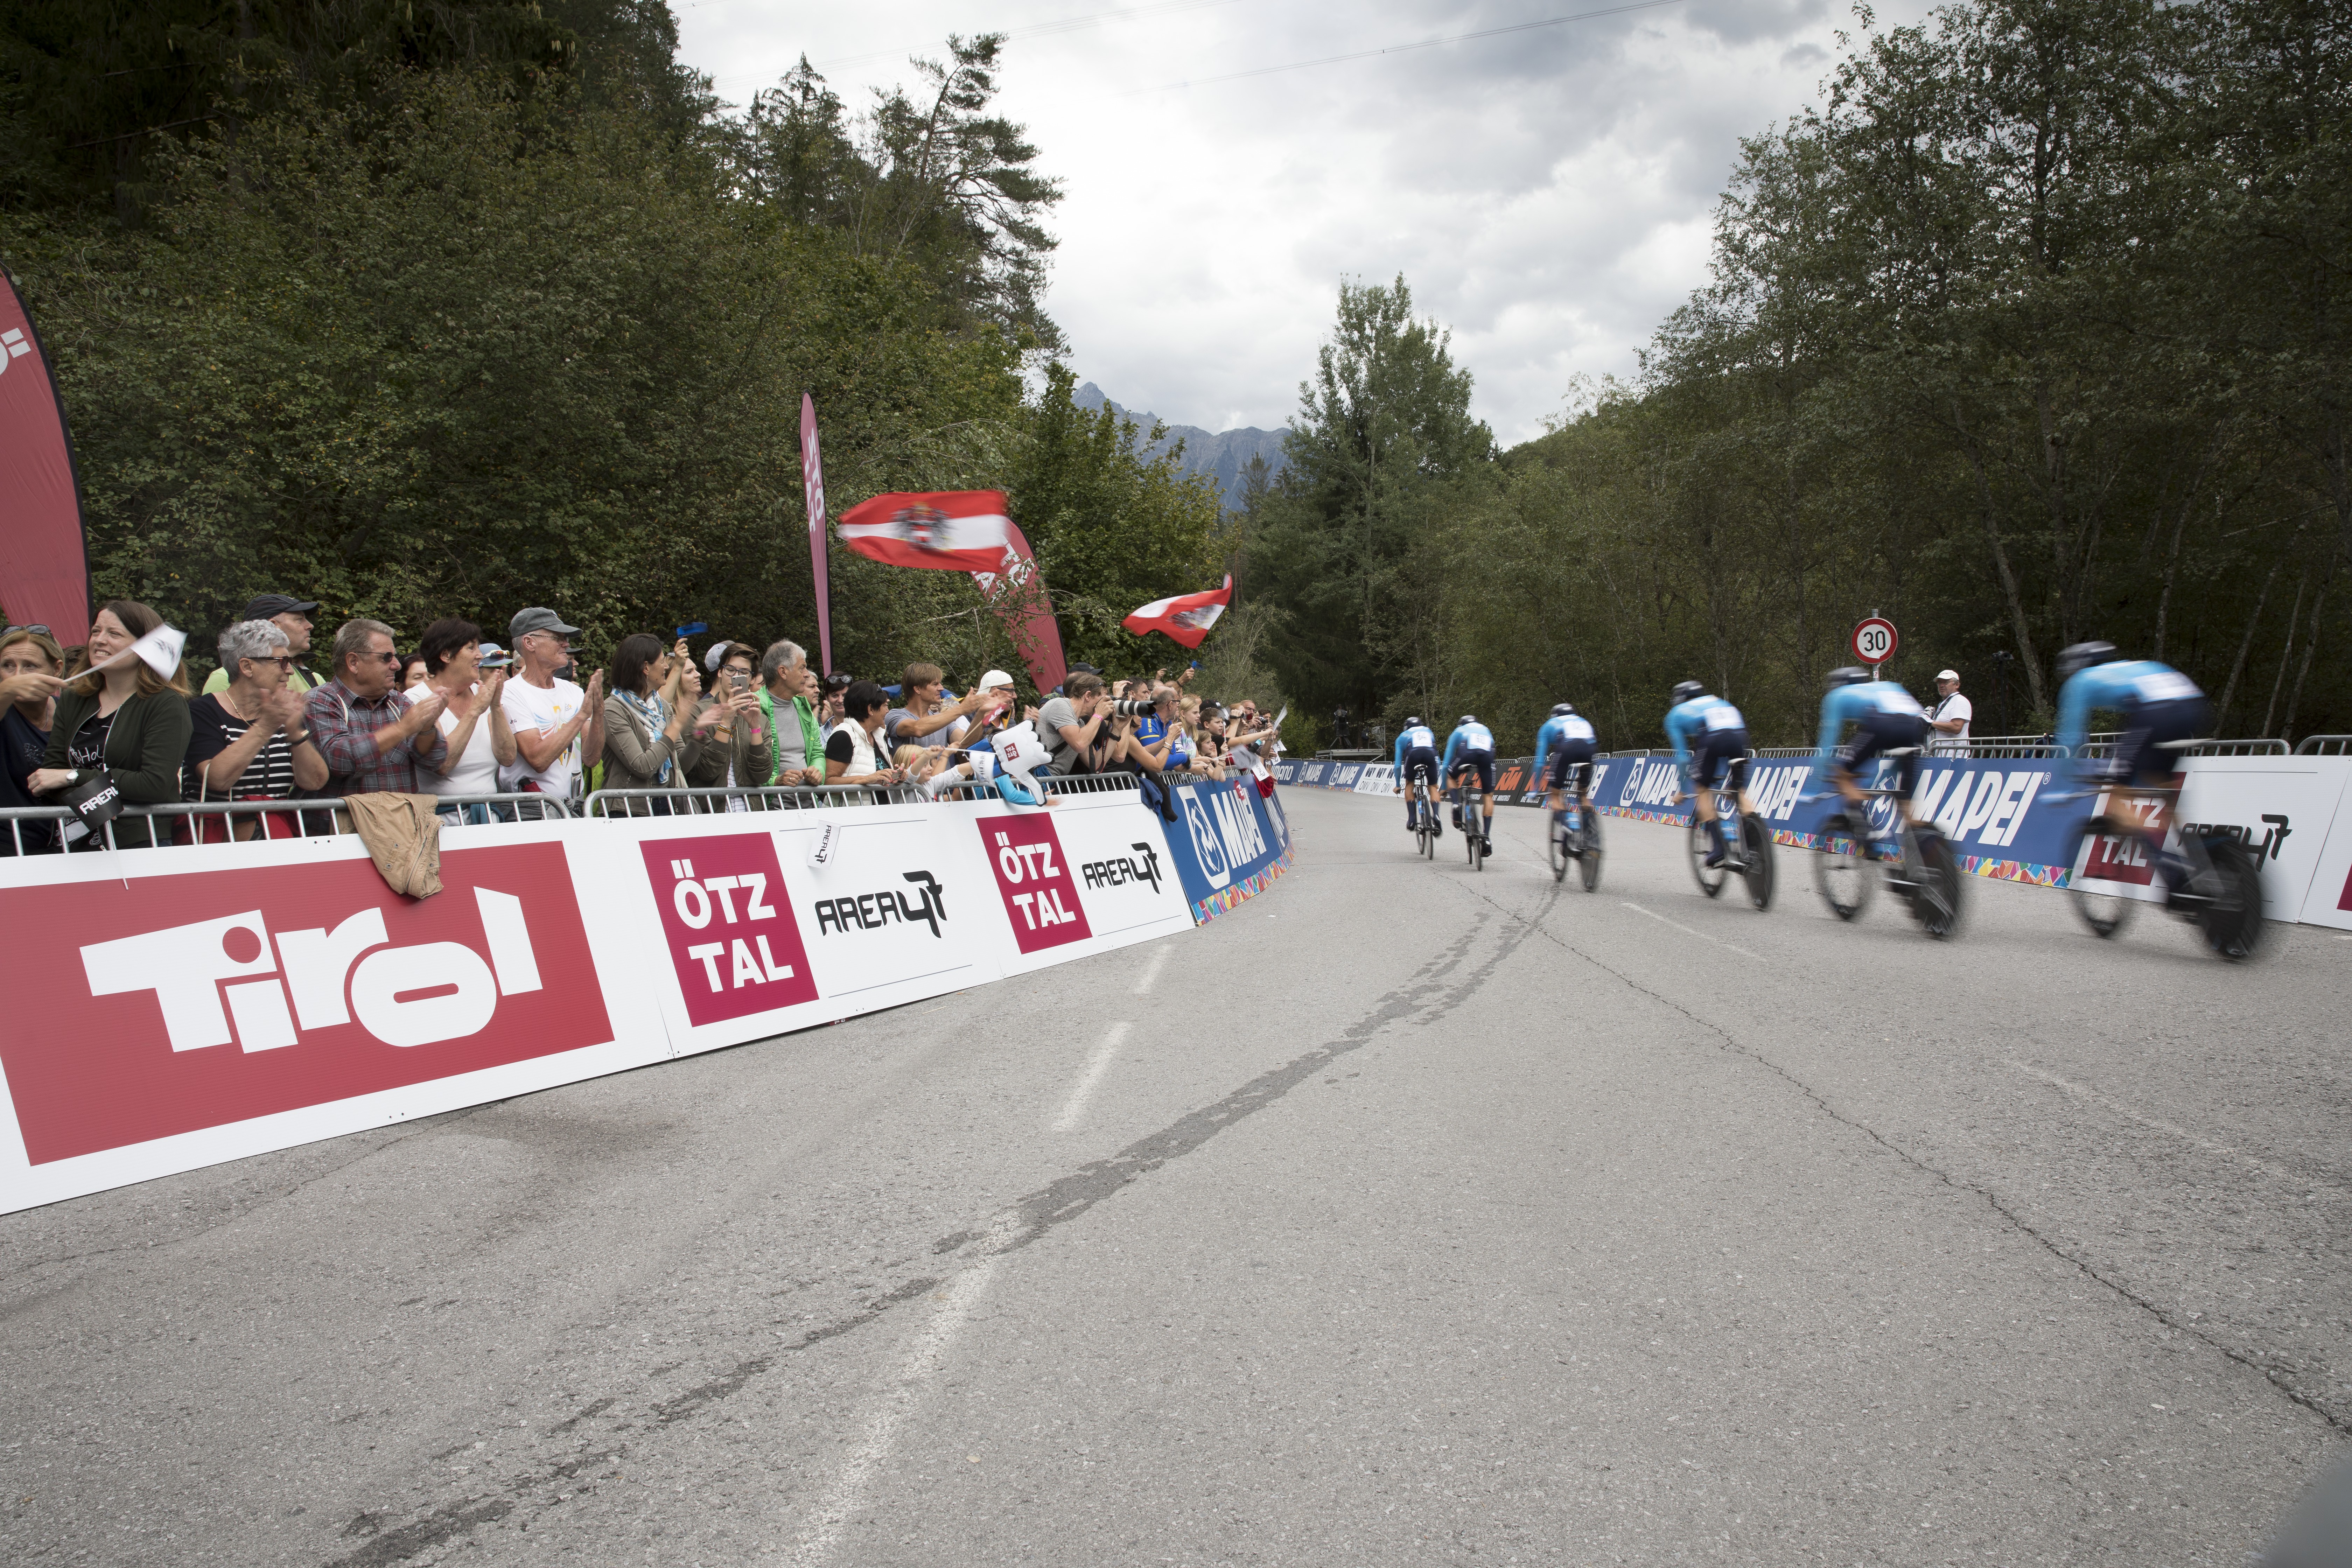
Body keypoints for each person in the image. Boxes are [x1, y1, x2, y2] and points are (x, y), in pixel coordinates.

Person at [29, 601, 194, 849]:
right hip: (73, 840)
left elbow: (153, 784)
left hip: (139, 841)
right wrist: (98, 802)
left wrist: (74, 777)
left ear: (146, 647)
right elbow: (50, 775)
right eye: (96, 631)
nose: (99, 640)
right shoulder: (75, 697)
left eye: (114, 634)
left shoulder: (166, 704)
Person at [2053, 642, 2212, 897]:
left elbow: (2072, 736)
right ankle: (2198, 858)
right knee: (2160, 782)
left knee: (2118, 792)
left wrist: (2067, 773)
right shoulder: (2136, 666)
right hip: (2194, 707)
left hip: (2156, 713)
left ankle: (2170, 870)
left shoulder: (2081, 681)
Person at [182, 619, 329, 838]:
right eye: (282, 661)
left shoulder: (282, 712)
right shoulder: (202, 711)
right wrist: (267, 726)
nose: (290, 671)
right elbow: (217, 779)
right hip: (216, 844)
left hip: (275, 838)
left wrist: (294, 730)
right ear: (247, 667)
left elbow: (315, 781)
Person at [304, 618, 448, 797]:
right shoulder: (320, 700)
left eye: (395, 656)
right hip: (341, 825)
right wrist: (402, 729)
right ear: (354, 663)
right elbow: (338, 759)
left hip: (398, 823)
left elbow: (434, 761)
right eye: (387, 657)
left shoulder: (400, 702)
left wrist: (427, 728)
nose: (397, 665)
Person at [1806, 667, 1932, 855]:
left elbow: (1828, 742)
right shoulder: (1887, 686)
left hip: (1882, 724)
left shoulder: (1836, 696)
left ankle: (1868, 839)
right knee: (1905, 800)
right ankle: (1919, 852)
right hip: (1915, 728)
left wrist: (1815, 784)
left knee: (1842, 774)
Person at [414, 618, 517, 824]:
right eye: (471, 648)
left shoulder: (482, 694)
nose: (480, 655)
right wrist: (475, 710)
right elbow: (443, 764)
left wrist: (496, 707)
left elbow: (508, 757)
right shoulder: (416, 698)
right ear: (446, 655)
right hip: (441, 824)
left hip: (488, 818)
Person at [502, 607, 603, 809]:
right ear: (530, 643)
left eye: (565, 638)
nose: (566, 644)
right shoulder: (510, 693)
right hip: (532, 812)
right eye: (558, 638)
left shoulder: (573, 691)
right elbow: (538, 760)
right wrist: (583, 715)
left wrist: (599, 713)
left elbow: (591, 758)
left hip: (574, 806)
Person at [600, 634, 705, 814]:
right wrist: (677, 724)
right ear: (646, 667)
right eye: (662, 661)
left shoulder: (662, 707)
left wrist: (698, 738)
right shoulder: (613, 710)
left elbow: (680, 765)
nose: (666, 666)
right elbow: (643, 767)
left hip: (668, 805)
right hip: (628, 810)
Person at [1666, 680, 1756, 869]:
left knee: (1702, 791)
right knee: (1738, 792)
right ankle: (1756, 839)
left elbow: (1683, 759)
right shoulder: (1718, 701)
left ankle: (1718, 849)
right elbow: (1728, 740)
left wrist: (1682, 790)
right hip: (1739, 736)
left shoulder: (1675, 715)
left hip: (1712, 738)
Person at [0, 626, 67, 854]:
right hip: (9, 851)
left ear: (57, 669)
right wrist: (6, 691)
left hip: (68, 848)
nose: (18, 676)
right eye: (8, 666)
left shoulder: (70, 712)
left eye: (30, 666)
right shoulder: (4, 709)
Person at [688, 640, 774, 809]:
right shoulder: (699, 712)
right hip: (712, 811)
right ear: (720, 672)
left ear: (751, 679)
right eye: (731, 670)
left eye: (744, 672)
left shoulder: (761, 718)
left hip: (750, 810)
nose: (735, 677)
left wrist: (755, 727)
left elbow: (763, 776)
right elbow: (706, 772)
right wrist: (725, 722)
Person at [201, 593, 318, 695]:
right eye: (299, 619)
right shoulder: (224, 678)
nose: (310, 626)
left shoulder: (312, 678)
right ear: (273, 625)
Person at [1533, 702, 1600, 854]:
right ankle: (1590, 837)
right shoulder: (1583, 721)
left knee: (1555, 795)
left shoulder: (1549, 724)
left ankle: (1569, 829)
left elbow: (1540, 761)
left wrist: (1535, 787)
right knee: (1583, 795)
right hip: (1589, 751)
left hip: (1566, 749)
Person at [756, 639, 826, 787]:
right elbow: (744, 763)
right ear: (783, 672)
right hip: (770, 807)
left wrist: (818, 771)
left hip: (808, 805)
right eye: (802, 668)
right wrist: (775, 782)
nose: (807, 675)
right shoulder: (754, 708)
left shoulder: (804, 708)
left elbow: (817, 753)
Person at [886, 663, 996, 752]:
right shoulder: (895, 715)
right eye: (935, 684)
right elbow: (918, 729)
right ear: (918, 689)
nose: (942, 688)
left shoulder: (942, 719)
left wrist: (981, 713)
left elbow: (966, 744)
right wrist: (961, 709)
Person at [825, 680, 905, 787]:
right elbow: (827, 783)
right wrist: (866, 779)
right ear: (871, 709)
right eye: (885, 706)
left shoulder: (880, 736)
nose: (888, 711)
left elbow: (882, 780)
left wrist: (898, 777)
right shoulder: (844, 736)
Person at [1441, 713, 1498, 851]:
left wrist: (1444, 787)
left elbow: (1447, 762)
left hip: (1466, 753)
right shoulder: (1485, 728)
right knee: (1489, 796)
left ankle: (1456, 805)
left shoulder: (1459, 731)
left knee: (1451, 777)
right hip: (1487, 755)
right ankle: (1486, 837)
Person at [1040, 671, 1113, 774]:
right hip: (1034, 779)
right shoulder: (1060, 705)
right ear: (1088, 696)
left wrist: (1118, 730)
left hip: (1048, 782)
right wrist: (1099, 715)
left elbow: (1096, 765)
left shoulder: (1080, 725)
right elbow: (1079, 744)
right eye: (1104, 699)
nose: (1106, 705)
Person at [1393, 715, 1442, 838]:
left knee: (1409, 784)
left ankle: (1412, 819)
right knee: (1432, 787)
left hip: (1413, 754)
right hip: (1431, 756)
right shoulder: (1428, 731)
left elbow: (1398, 765)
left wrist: (1398, 785)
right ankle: (1436, 815)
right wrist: (1436, 780)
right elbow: (1438, 758)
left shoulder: (1402, 737)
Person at [1928, 668, 1973, 755]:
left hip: (1953, 757)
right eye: (1939, 683)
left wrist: (1930, 722)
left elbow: (1956, 728)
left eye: (1946, 682)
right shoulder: (1946, 702)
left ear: (1957, 685)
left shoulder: (1960, 701)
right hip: (1942, 755)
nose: (1941, 685)